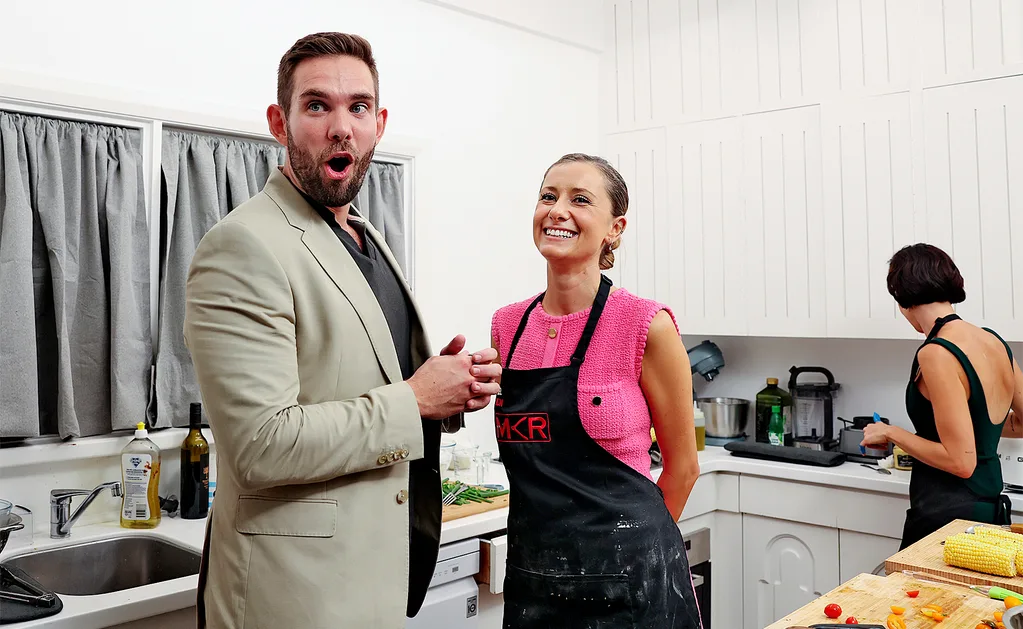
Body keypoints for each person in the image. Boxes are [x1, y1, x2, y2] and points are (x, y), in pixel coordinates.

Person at [183, 32, 501, 628]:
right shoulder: (242, 245)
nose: (341, 127)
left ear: (379, 123)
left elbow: (366, 384)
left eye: (357, 107)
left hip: (371, 583)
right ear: (280, 122)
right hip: (295, 598)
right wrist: (415, 399)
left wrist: (447, 394)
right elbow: (260, 446)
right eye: (317, 106)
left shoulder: (367, 236)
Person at [489, 153, 703, 628]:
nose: (557, 210)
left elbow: (683, 468)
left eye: (580, 200)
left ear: (614, 228)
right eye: (548, 196)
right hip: (534, 577)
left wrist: (630, 550)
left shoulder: (645, 324)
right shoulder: (508, 326)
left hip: (630, 583)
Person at [862, 243, 1023, 549]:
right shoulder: (994, 342)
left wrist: (891, 432)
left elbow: (960, 462)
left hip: (947, 516)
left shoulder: (936, 353)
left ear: (901, 297)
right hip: (989, 510)